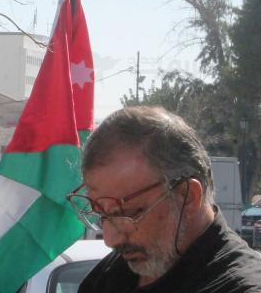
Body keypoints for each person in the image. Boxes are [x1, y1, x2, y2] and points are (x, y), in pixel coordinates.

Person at [72, 106, 261, 293]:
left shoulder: (241, 286)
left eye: (129, 213)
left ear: (188, 197)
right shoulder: (108, 276)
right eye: (101, 214)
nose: (110, 239)